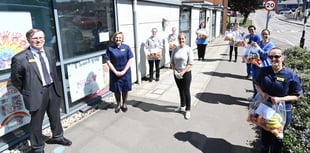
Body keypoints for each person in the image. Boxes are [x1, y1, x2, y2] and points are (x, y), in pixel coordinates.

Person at [10, 29, 72, 153]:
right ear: (28, 40)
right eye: (35, 38)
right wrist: (27, 91)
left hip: (52, 89)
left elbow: (53, 70)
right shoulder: (20, 58)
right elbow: (16, 80)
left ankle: (58, 137)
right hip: (35, 94)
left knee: (55, 116)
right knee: (36, 122)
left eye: (41, 37)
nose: (39, 40)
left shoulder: (49, 51)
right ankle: (37, 147)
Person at [254, 47, 303, 153]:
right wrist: (263, 93)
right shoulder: (264, 71)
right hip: (266, 108)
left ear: (282, 58)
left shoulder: (291, 75)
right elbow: (257, 83)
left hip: (282, 111)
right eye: (271, 56)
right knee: (265, 137)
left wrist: (281, 99)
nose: (274, 59)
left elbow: (297, 95)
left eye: (277, 56)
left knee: (277, 138)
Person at [105, 32, 134, 113]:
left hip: (125, 72)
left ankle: (124, 104)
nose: (118, 39)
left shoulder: (126, 47)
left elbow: (130, 59)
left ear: (122, 39)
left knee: (125, 88)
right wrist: (115, 71)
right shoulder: (110, 48)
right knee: (116, 89)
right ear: (114, 38)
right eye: (116, 37)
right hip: (115, 72)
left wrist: (124, 71)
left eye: (120, 37)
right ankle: (118, 104)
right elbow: (108, 60)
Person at [170, 33, 194, 120]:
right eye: (180, 39)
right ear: (178, 39)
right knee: (180, 90)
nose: (181, 40)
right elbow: (172, 62)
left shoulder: (188, 49)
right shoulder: (175, 49)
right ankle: (182, 106)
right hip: (177, 73)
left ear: (185, 39)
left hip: (186, 73)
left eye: (183, 39)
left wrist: (182, 72)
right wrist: (174, 71)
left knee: (186, 91)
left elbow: (190, 63)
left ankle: (188, 110)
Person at [249, 29, 275, 101]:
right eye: (263, 34)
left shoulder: (271, 45)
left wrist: (257, 47)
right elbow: (253, 52)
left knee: (262, 84)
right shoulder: (259, 42)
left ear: (269, 35)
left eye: (266, 34)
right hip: (255, 65)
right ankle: (255, 96)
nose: (265, 35)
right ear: (261, 35)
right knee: (255, 82)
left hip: (264, 67)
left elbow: (265, 55)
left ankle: (260, 100)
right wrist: (250, 56)